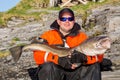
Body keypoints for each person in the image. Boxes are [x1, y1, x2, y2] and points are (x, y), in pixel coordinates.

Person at [33, 8, 104, 80]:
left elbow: (98, 56)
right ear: (58, 21)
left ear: (74, 21)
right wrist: (58, 60)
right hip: (56, 70)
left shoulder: (82, 37)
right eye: (63, 19)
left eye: (70, 19)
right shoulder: (47, 35)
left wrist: (84, 58)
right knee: (48, 67)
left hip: (75, 71)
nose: (67, 21)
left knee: (94, 66)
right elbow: (38, 55)